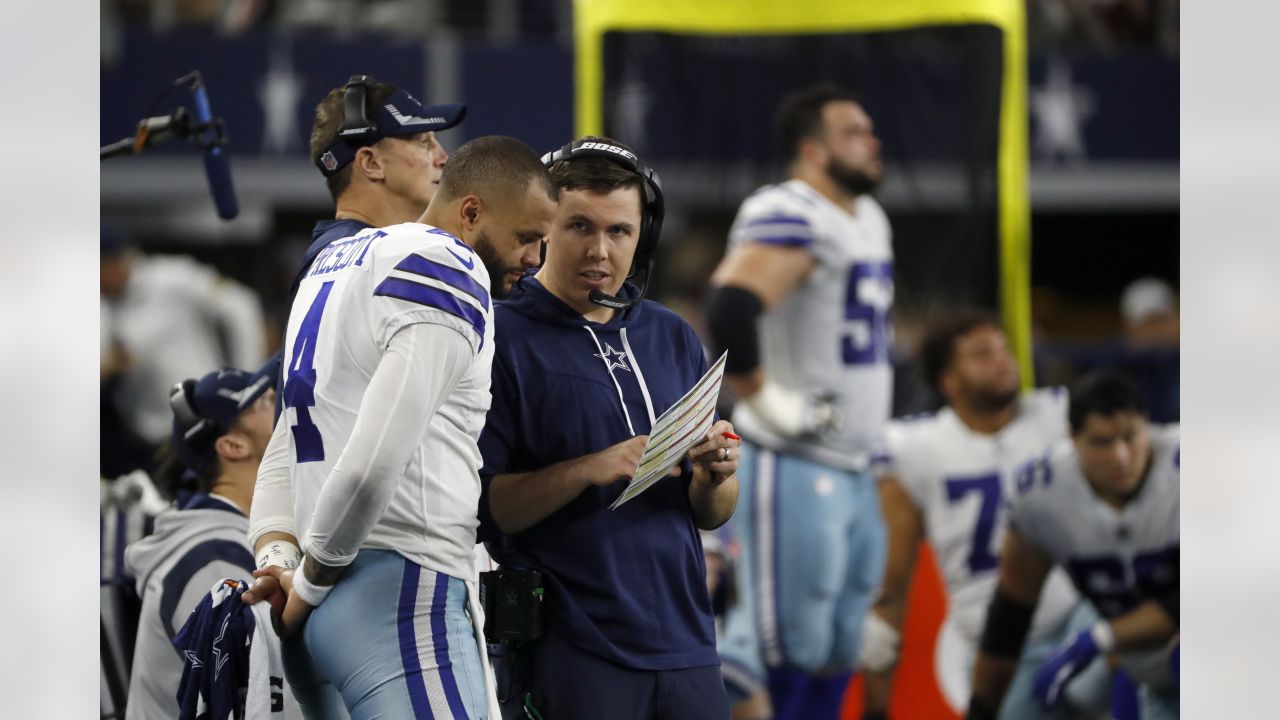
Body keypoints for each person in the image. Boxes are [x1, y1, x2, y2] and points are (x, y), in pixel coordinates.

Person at [245, 135, 557, 719]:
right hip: (399, 595)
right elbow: (370, 468)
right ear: (471, 212)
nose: (536, 259)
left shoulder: (333, 265)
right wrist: (308, 587)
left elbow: (286, 442)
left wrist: (281, 563)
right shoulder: (447, 263)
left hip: (325, 610)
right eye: (527, 237)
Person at [478, 136, 740, 719]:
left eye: (619, 231)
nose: (600, 250)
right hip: (572, 649)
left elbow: (712, 512)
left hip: (687, 643)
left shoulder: (672, 334)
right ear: (544, 225)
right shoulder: (497, 334)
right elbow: (484, 509)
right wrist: (590, 468)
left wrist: (715, 477)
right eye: (579, 227)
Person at [704, 82, 892, 719]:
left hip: (855, 461)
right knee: (791, 641)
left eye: (869, 129)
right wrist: (767, 398)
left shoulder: (868, 217)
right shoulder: (792, 210)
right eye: (853, 132)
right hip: (794, 456)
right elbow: (731, 305)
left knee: (843, 642)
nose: (872, 142)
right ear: (812, 150)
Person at [860, 311, 1108, 719]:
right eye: (981, 354)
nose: (1002, 360)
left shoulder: (1061, 416)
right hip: (990, 645)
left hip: (1075, 620)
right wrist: (876, 708)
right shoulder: (915, 449)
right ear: (948, 380)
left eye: (1002, 348)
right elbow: (891, 589)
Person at [968, 369, 1179, 720]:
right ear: (1072, 438)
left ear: (1148, 425)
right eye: (1102, 442)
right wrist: (980, 711)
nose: (1122, 456)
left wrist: (1101, 637)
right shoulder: (1043, 494)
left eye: (1131, 436)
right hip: (1153, 676)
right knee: (1072, 695)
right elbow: (1009, 618)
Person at [123, 355, 281, 719]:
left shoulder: (233, 537)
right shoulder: (212, 561)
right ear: (233, 446)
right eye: (266, 402)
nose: (285, 406)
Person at [101, 226, 267, 468]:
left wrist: (248, 381)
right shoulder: (103, 305)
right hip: (144, 437)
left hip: (201, 424)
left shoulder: (172, 277)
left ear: (114, 261)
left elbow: (241, 306)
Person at [293, 74, 466, 299]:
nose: (444, 158)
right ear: (371, 163)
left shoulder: (326, 256)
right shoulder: (387, 260)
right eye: (424, 142)